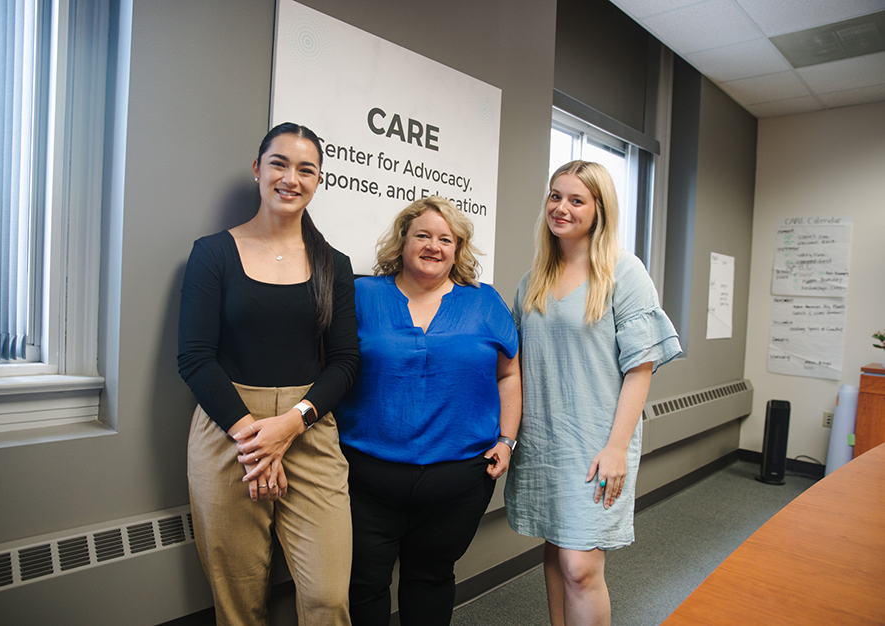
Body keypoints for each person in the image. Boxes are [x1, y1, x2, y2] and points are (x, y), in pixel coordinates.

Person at [177, 122, 359, 626]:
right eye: (279, 163)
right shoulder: (212, 253)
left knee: (327, 597)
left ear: (318, 180)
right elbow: (194, 357)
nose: (291, 178)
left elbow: (345, 363)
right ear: (258, 169)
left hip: (309, 428)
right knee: (238, 604)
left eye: (306, 169)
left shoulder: (333, 265)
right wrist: (255, 440)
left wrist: (289, 425)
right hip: (227, 430)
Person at [505, 161, 681, 626]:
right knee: (558, 547)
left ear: (600, 210)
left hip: (598, 440)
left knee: (582, 566)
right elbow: (516, 368)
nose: (561, 208)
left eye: (576, 200)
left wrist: (617, 448)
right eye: (555, 196)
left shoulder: (624, 272)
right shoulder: (534, 279)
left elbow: (641, 368)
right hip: (545, 438)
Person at [333, 196, 521, 626]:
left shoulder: (484, 301)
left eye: (445, 239)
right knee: (364, 581)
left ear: (458, 249)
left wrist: (507, 440)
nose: (433, 246)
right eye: (422, 235)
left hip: (458, 478)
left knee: (432, 577)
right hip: (366, 475)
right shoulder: (362, 295)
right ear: (403, 241)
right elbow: (332, 366)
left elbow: (509, 375)